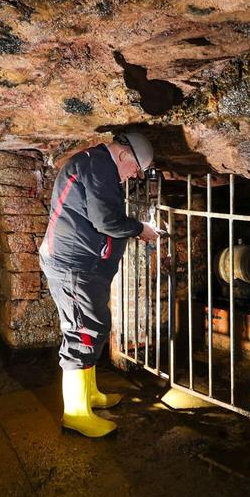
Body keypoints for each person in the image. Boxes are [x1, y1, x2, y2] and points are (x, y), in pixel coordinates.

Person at [38, 132, 160, 437]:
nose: (135, 175)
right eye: (135, 169)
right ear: (123, 156)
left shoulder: (96, 165)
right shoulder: (97, 166)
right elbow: (106, 221)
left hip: (83, 266)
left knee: (92, 328)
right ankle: (76, 414)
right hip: (73, 267)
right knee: (83, 332)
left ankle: (88, 395)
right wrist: (141, 229)